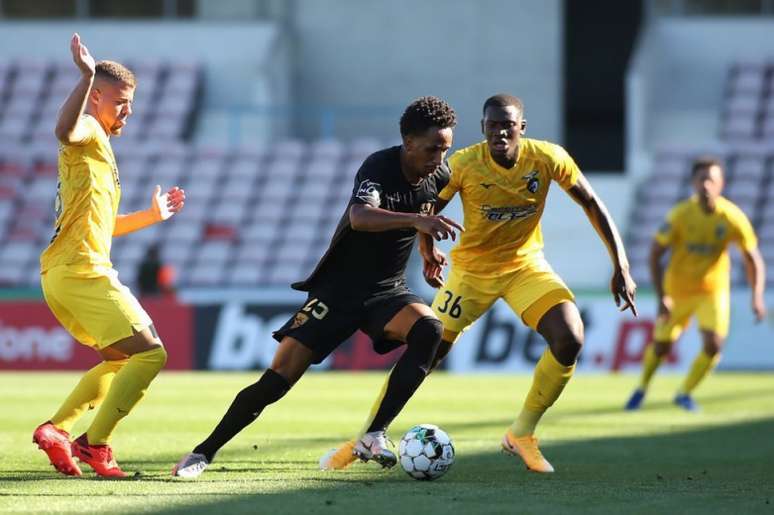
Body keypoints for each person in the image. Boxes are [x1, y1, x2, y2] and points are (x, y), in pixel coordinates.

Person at [322, 93, 637, 474]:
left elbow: (591, 202)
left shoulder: (548, 158)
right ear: (484, 128)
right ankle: (368, 436)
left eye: (508, 125)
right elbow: (427, 208)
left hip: (525, 266)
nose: (500, 132)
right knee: (427, 351)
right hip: (471, 273)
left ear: (521, 127)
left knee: (570, 336)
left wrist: (620, 263)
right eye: (492, 125)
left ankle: (522, 434)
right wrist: (426, 251)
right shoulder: (463, 164)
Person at [172, 96, 463, 478]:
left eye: (446, 148)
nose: (440, 158)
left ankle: (374, 434)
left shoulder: (437, 176)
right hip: (337, 292)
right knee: (276, 381)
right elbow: (360, 217)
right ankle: (202, 453)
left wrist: (428, 251)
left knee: (431, 329)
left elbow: (425, 214)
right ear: (408, 142)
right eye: (432, 148)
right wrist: (417, 223)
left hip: (386, 292)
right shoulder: (379, 166)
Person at [32, 34, 185, 478]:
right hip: (81, 271)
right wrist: (83, 76)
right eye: (120, 101)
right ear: (95, 98)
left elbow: (107, 223)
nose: (128, 111)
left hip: (66, 272)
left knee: (120, 359)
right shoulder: (86, 132)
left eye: (130, 102)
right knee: (151, 355)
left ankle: (58, 430)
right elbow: (64, 129)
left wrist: (152, 216)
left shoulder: (99, 149)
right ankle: (94, 444)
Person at [625, 157, 766, 412]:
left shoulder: (732, 217)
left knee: (714, 345)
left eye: (711, 179)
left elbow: (753, 259)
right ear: (693, 183)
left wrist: (756, 296)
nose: (706, 185)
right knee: (661, 346)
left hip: (713, 291)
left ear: (721, 184)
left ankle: (685, 392)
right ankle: (642, 387)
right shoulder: (680, 215)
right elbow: (655, 253)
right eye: (701, 179)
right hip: (677, 290)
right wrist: (661, 297)